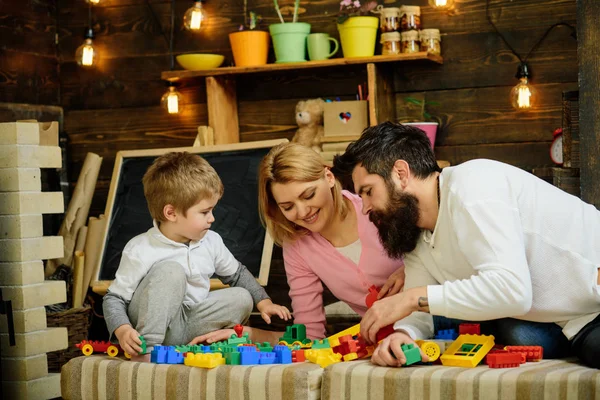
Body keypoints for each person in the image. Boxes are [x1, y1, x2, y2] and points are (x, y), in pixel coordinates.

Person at [333, 121, 600, 368]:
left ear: (401, 174)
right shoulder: (414, 231)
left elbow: (512, 291)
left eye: (368, 191)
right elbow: (418, 305)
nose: (365, 208)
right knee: (513, 332)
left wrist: (411, 298)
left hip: (593, 299)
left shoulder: (473, 186)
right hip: (571, 322)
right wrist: (404, 334)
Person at [189, 143, 405, 346]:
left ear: (329, 177)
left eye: (309, 195)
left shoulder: (375, 205)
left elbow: (435, 255)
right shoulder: (298, 247)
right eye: (288, 206)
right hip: (391, 344)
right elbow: (309, 336)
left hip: (433, 319)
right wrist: (248, 335)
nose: (302, 212)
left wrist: (410, 269)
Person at [102, 152, 291, 361]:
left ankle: (204, 342)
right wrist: (122, 329)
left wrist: (264, 302)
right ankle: (148, 351)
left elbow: (237, 275)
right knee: (170, 270)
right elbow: (114, 298)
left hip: (192, 322)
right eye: (204, 212)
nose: (212, 218)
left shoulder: (211, 241)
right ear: (171, 213)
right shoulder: (141, 248)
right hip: (155, 326)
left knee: (241, 297)